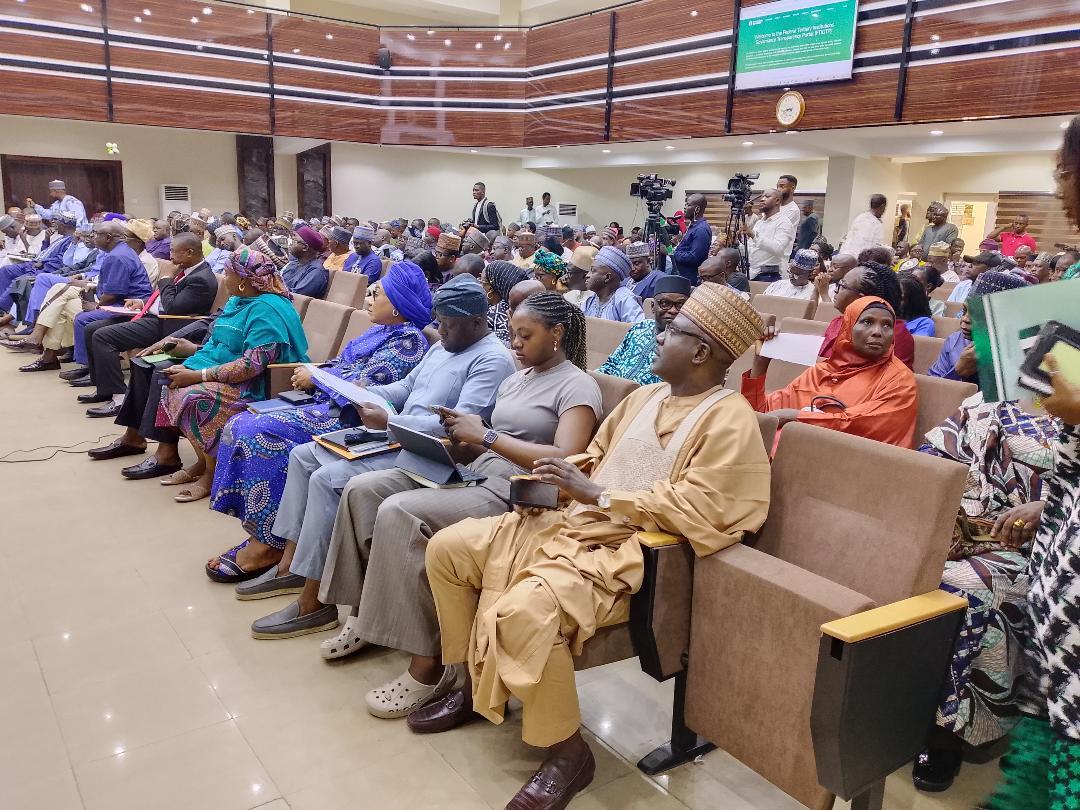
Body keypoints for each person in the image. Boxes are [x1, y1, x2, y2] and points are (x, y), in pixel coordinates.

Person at [413, 282, 771, 810]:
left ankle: (568, 754)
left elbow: (707, 509)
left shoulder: (730, 417)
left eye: (671, 331)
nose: (657, 336)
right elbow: (592, 461)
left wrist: (598, 495)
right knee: (448, 550)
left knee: (525, 611)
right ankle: (471, 683)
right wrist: (554, 487)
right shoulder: (645, 397)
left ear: (700, 352)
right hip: (572, 522)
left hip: (630, 552)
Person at [311, 294, 601, 717]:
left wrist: (485, 437)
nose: (515, 344)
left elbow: (566, 459)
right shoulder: (518, 379)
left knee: (399, 512)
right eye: (512, 334)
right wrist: (455, 441)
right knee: (363, 490)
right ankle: (366, 619)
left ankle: (429, 665)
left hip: (520, 491)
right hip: (475, 468)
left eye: (525, 336)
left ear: (556, 333)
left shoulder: (577, 385)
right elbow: (487, 440)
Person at [207, 274, 515, 611]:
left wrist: (390, 422)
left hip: (432, 451)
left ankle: (315, 601)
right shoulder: (444, 345)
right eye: (438, 322)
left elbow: (460, 427)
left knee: (325, 479)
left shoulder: (491, 359)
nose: (439, 331)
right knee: (303, 457)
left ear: (477, 322)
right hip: (397, 434)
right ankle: (290, 563)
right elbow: (406, 388)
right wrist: (365, 394)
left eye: (448, 325)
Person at [208, 261, 431, 565]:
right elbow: (341, 364)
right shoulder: (380, 330)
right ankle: (261, 530)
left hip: (348, 417)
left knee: (257, 433)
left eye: (376, 294)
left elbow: (365, 387)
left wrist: (317, 378)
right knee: (238, 422)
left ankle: (269, 545)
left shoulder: (409, 341)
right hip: (325, 403)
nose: (368, 298)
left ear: (397, 305)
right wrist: (316, 372)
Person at [911, 394, 1060, 792]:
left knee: (974, 588)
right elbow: (930, 458)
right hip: (963, 526)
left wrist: (1047, 506)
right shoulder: (988, 402)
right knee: (898, 562)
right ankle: (890, 706)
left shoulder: (1072, 410)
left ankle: (946, 734)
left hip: (1042, 544)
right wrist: (950, 510)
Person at [154, 249, 309, 503]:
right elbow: (222, 344)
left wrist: (198, 375)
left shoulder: (268, 310)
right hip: (228, 373)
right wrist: (195, 355)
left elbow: (252, 365)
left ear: (244, 280)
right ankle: (203, 461)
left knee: (195, 397)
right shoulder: (238, 301)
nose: (223, 279)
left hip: (259, 384)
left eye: (227, 274)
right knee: (169, 384)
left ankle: (212, 473)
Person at [743, 296, 918, 447]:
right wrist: (761, 363)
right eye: (867, 322)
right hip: (786, 454)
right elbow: (758, 416)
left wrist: (797, 417)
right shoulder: (821, 371)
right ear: (848, 327)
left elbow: (865, 427)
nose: (878, 332)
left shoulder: (899, 379)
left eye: (887, 325)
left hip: (844, 464)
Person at [77, 233, 218, 419]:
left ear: (189, 252)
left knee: (103, 336)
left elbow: (172, 308)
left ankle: (119, 398)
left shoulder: (201, 278)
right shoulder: (186, 270)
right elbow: (165, 299)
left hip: (168, 325)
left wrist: (166, 279)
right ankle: (104, 389)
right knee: (91, 328)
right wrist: (142, 302)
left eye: (174, 252)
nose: (170, 256)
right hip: (153, 316)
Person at [927, 271, 1029, 383]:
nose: (965, 319)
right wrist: (957, 372)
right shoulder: (955, 341)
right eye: (964, 310)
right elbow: (931, 386)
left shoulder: (1027, 353)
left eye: (979, 314)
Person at [597, 275, 691, 385]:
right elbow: (612, 363)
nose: (673, 310)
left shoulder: (688, 343)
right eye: (665, 303)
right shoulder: (641, 327)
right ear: (653, 306)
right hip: (611, 388)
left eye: (680, 305)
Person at [820, 260, 915, 369]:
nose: (836, 291)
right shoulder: (838, 322)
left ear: (861, 298)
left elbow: (884, 376)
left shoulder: (895, 335)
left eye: (842, 285)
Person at [581, 246, 645, 323]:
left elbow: (639, 327)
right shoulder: (591, 300)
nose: (587, 275)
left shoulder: (624, 299)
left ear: (607, 277)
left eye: (593, 271)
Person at [746, 189, 796, 282]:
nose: (762, 199)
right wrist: (738, 245)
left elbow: (778, 249)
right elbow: (751, 248)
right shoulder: (759, 223)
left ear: (777, 201)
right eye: (762, 196)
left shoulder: (784, 222)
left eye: (767, 196)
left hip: (770, 275)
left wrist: (753, 235)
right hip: (753, 272)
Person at [482, 260, 530, 346]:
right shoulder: (528, 307)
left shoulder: (495, 315)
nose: (481, 287)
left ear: (490, 289)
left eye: (483, 283)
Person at [672, 193, 711, 284]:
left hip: (690, 281)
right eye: (685, 204)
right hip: (682, 277)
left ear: (697, 209)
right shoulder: (694, 226)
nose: (685, 207)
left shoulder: (701, 229)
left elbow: (694, 257)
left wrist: (672, 253)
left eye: (688, 205)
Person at [281, 225, 329, 298]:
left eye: (294, 241)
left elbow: (294, 297)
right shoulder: (294, 263)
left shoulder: (316, 272)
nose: (290, 244)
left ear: (305, 247)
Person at [841, 194, 888, 259]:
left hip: (846, 256)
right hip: (858, 259)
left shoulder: (860, 217)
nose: (884, 211)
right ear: (882, 206)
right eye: (885, 208)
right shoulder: (875, 223)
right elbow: (872, 247)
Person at [897, 270, 936, 337]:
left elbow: (914, 343)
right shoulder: (886, 316)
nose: (893, 300)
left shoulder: (924, 323)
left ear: (912, 300)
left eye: (899, 298)